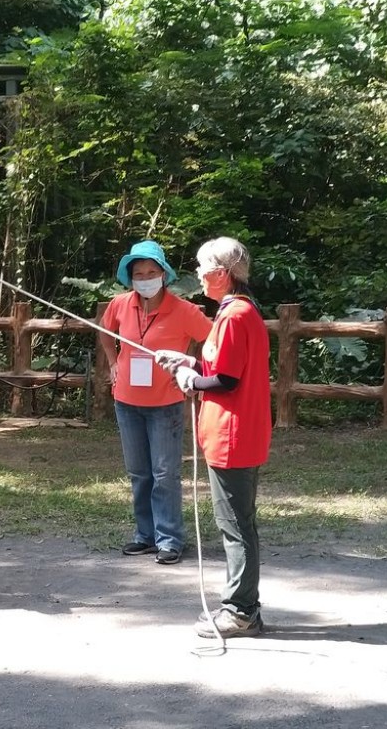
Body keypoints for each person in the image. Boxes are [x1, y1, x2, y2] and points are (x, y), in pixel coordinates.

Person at [156, 237, 271, 638]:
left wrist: (192, 379)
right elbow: (220, 364)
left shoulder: (235, 315)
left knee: (236, 526)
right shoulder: (237, 312)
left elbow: (225, 379)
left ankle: (240, 611)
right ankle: (244, 607)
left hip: (233, 435)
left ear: (222, 274)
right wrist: (189, 362)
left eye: (203, 267)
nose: (199, 275)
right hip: (235, 432)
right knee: (239, 523)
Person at [101, 240, 212, 566]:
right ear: (130, 277)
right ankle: (145, 536)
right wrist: (113, 362)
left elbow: (212, 339)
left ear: (163, 274)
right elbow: (105, 332)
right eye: (139, 273)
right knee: (140, 472)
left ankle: (169, 539)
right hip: (127, 401)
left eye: (151, 272)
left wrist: (192, 367)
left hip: (165, 403)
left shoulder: (184, 310)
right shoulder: (120, 304)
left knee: (165, 473)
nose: (145, 278)